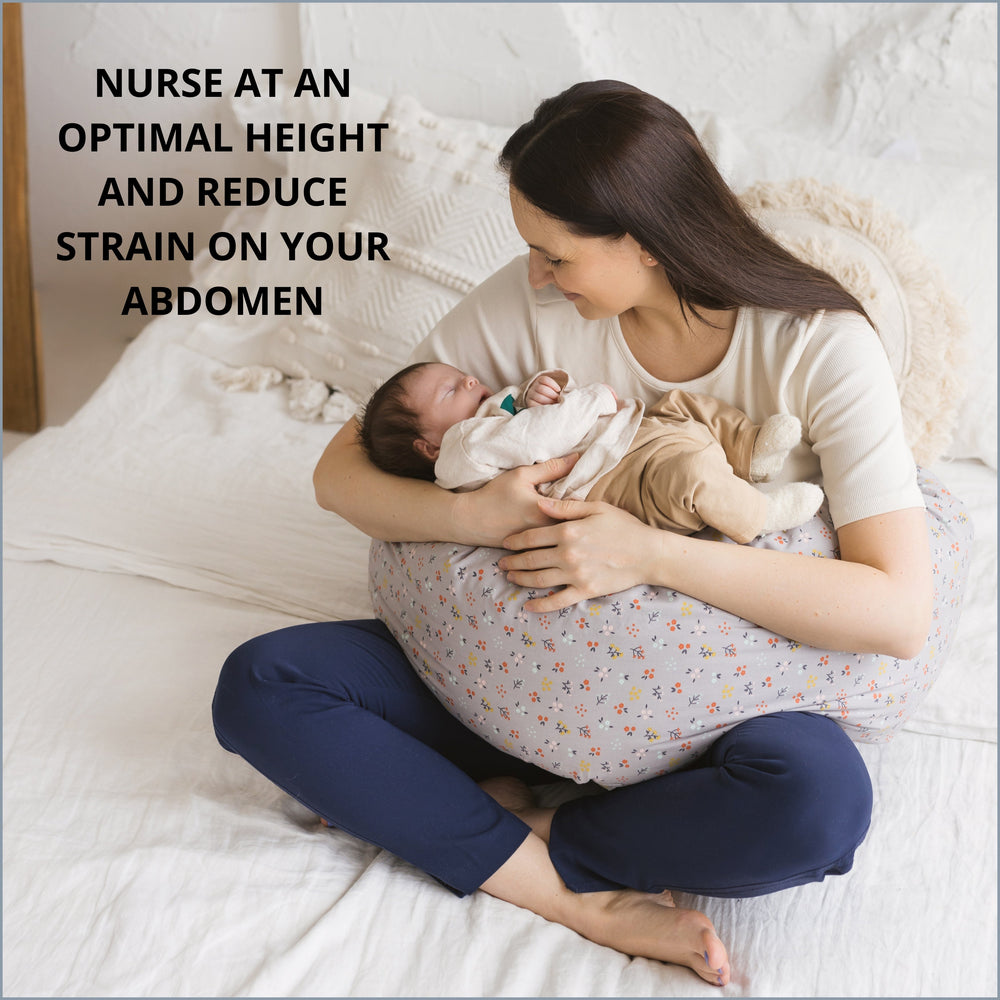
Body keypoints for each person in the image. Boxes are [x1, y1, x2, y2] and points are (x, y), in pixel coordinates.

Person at [213, 81, 935, 988]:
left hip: (705, 723)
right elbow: (340, 473)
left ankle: (541, 832)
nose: (535, 278)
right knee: (264, 686)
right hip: (511, 684)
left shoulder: (817, 346)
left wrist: (652, 554)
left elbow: (899, 610)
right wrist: (478, 513)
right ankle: (565, 892)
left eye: (554, 255)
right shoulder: (534, 309)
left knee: (819, 808)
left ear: (644, 238)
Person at [359, 360, 823, 543]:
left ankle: (751, 449)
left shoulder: (490, 411)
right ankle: (758, 515)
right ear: (428, 445)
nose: (467, 380)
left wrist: (541, 387)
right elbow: (538, 438)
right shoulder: (461, 448)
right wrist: (595, 399)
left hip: (625, 435)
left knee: (682, 406)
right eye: (448, 391)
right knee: (689, 473)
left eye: (458, 373)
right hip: (612, 476)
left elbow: (531, 412)